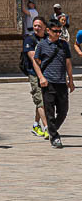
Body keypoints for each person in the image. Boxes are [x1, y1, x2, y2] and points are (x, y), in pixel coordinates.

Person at [32, 19, 75, 148]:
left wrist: (71, 80)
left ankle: (51, 129)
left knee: (63, 111)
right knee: (49, 112)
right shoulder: (41, 45)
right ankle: (55, 137)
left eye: (59, 31)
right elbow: (35, 61)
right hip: (48, 83)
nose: (57, 33)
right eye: (55, 31)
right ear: (48, 31)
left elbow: (68, 62)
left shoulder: (64, 45)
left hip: (61, 82)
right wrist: (41, 77)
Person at [24, 16, 49, 139]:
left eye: (39, 26)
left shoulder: (48, 39)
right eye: (35, 26)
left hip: (48, 74)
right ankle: (47, 128)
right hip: (34, 74)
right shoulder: (29, 40)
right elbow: (34, 58)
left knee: (42, 101)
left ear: (45, 27)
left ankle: (35, 125)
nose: (37, 28)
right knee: (40, 100)